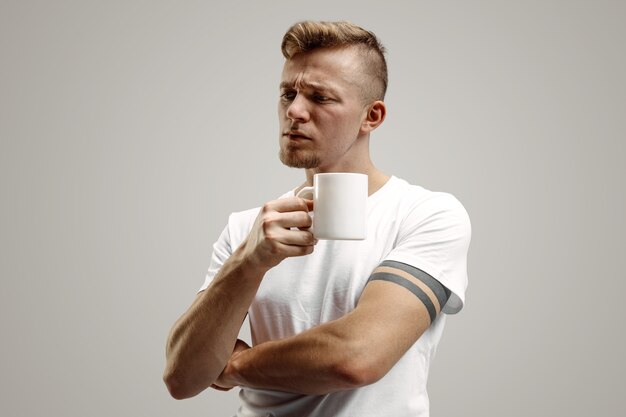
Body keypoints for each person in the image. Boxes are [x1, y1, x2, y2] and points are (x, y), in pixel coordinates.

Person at [163, 20, 471, 417]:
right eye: (287, 93)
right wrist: (248, 261)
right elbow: (182, 378)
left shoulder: (426, 215)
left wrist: (231, 366)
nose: (294, 110)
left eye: (320, 98)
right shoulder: (248, 229)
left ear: (371, 117)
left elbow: (356, 358)